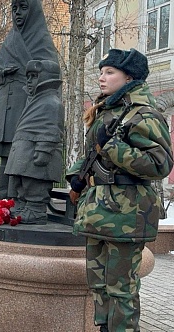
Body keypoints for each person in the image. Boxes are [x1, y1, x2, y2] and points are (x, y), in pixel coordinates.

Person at [67, 49, 173, 332]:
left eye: (109, 72)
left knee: (121, 289)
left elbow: (160, 164)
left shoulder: (144, 114)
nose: (101, 77)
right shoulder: (109, 111)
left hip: (127, 215)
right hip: (98, 210)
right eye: (101, 72)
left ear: (129, 77)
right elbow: (92, 154)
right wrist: (78, 176)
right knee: (99, 285)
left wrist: (114, 147)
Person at [0, 0, 58, 199]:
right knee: (4, 159)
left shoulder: (41, 40)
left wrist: (27, 72)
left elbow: (51, 76)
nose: (17, 13)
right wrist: (3, 74)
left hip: (25, 108)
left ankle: (19, 203)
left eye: (23, 8)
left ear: (33, 10)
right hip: (5, 108)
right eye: (14, 8)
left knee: (21, 158)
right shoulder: (10, 39)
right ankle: (4, 203)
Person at [5, 60, 64, 224]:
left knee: (34, 185)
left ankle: (36, 209)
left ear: (46, 78)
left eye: (34, 76)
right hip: (24, 152)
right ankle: (22, 205)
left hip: (36, 155)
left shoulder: (52, 103)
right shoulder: (33, 101)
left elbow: (51, 129)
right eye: (28, 77)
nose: (29, 81)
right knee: (21, 184)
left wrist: (44, 150)